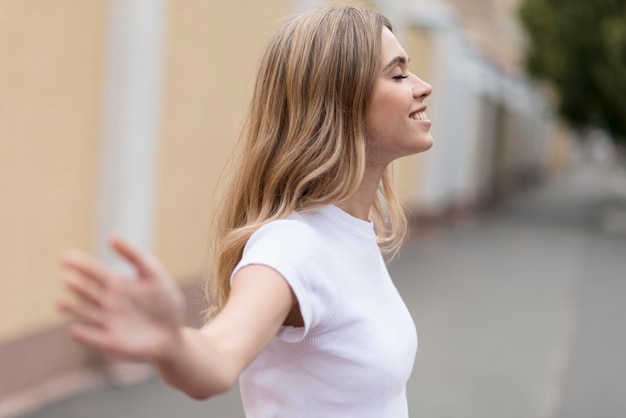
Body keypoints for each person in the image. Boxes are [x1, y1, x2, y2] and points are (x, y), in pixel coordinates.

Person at [58, 6, 433, 417]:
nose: (423, 86)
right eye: (398, 74)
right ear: (337, 99)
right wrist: (173, 343)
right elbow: (218, 357)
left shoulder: (351, 234)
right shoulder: (294, 245)